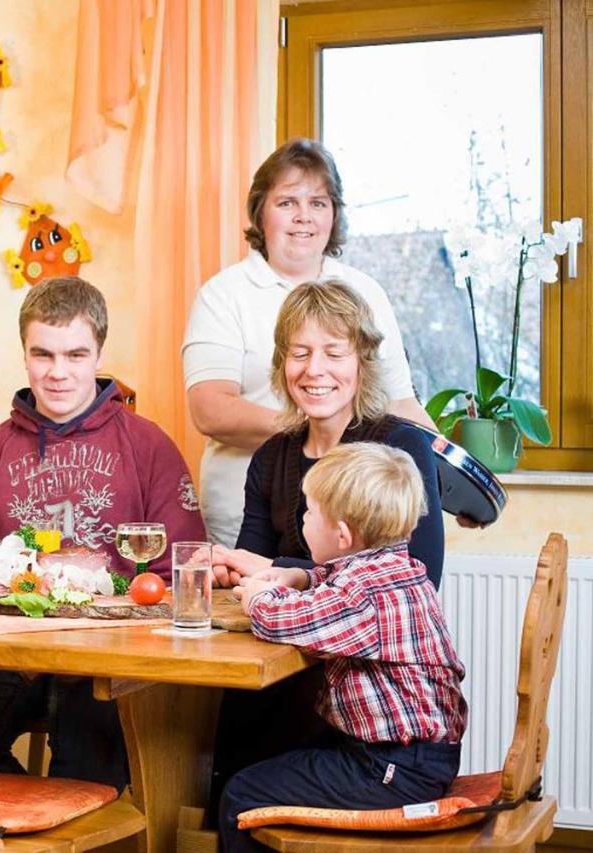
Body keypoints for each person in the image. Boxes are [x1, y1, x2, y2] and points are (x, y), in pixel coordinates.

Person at [0, 276, 207, 789]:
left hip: (113, 658)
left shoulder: (149, 448)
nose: (58, 373)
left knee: (90, 768)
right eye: (43, 355)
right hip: (8, 656)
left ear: (99, 352)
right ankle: (15, 827)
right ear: (24, 354)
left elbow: (184, 569)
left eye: (75, 355)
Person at [183, 138, 435, 548]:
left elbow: (400, 402)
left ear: (334, 215)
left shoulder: (364, 290)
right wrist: (313, 430)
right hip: (249, 510)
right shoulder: (224, 294)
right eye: (287, 203)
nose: (304, 217)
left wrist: (452, 481)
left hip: (353, 515)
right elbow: (210, 410)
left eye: (318, 203)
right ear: (260, 213)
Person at [219, 442, 466, 853]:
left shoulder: (364, 596)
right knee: (275, 754)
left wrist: (256, 597)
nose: (303, 519)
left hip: (391, 768)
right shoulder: (394, 571)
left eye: (310, 512)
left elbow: (278, 620)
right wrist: (300, 580)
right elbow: (336, 588)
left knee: (242, 792)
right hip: (412, 756)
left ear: (343, 534)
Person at [212, 279, 445, 588]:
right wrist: (229, 567)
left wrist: (280, 569)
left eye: (334, 354)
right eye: (300, 353)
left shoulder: (401, 448)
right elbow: (250, 565)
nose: (314, 369)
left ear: (362, 364)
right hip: (285, 634)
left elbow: (418, 578)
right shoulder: (269, 458)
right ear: (282, 364)